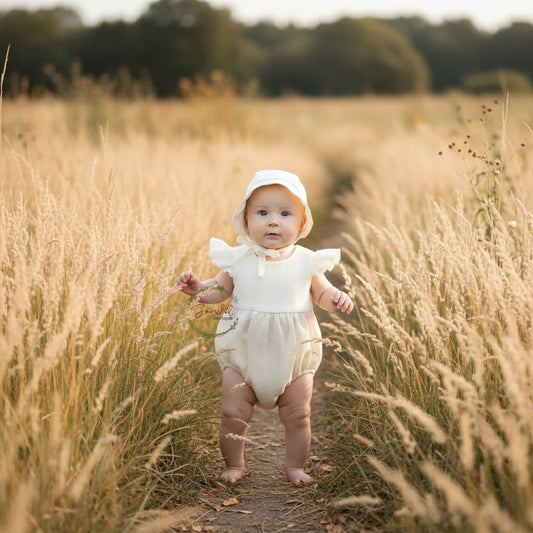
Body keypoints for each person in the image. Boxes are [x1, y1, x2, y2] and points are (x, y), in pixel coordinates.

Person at [176, 169, 353, 484]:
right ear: (246, 221)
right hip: (243, 354)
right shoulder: (238, 260)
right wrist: (197, 290)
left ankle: (295, 467)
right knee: (233, 414)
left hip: (294, 357)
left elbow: (321, 294)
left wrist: (334, 297)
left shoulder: (306, 261)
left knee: (298, 415)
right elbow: (219, 290)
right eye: (263, 213)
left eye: (285, 213)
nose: (274, 221)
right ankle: (235, 465)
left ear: (301, 224)